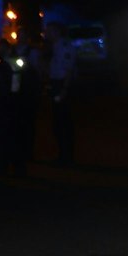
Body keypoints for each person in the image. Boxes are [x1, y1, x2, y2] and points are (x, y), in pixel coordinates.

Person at [0, 47, 39, 178]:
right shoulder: (19, 65)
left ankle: (3, 167)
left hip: (8, 107)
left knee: (5, 137)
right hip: (17, 106)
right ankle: (17, 167)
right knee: (17, 137)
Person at [42, 23, 77, 165]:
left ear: (56, 31)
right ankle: (63, 155)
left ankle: (66, 156)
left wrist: (64, 90)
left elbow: (68, 70)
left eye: (48, 31)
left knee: (63, 122)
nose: (46, 33)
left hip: (62, 85)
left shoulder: (63, 46)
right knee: (58, 122)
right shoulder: (55, 46)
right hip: (57, 84)